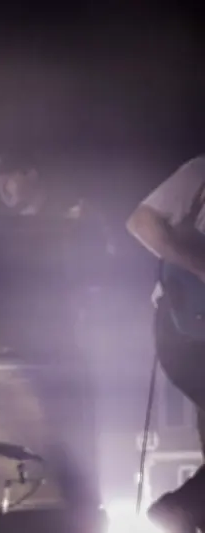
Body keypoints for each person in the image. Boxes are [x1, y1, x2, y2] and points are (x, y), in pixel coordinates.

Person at [127, 155, 205, 533]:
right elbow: (142, 223)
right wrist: (200, 267)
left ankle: (185, 512)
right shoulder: (199, 172)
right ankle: (181, 510)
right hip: (187, 331)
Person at [0, 149, 85, 217]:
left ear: (31, 174)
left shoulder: (71, 210)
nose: (2, 191)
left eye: (6, 182)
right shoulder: (23, 219)